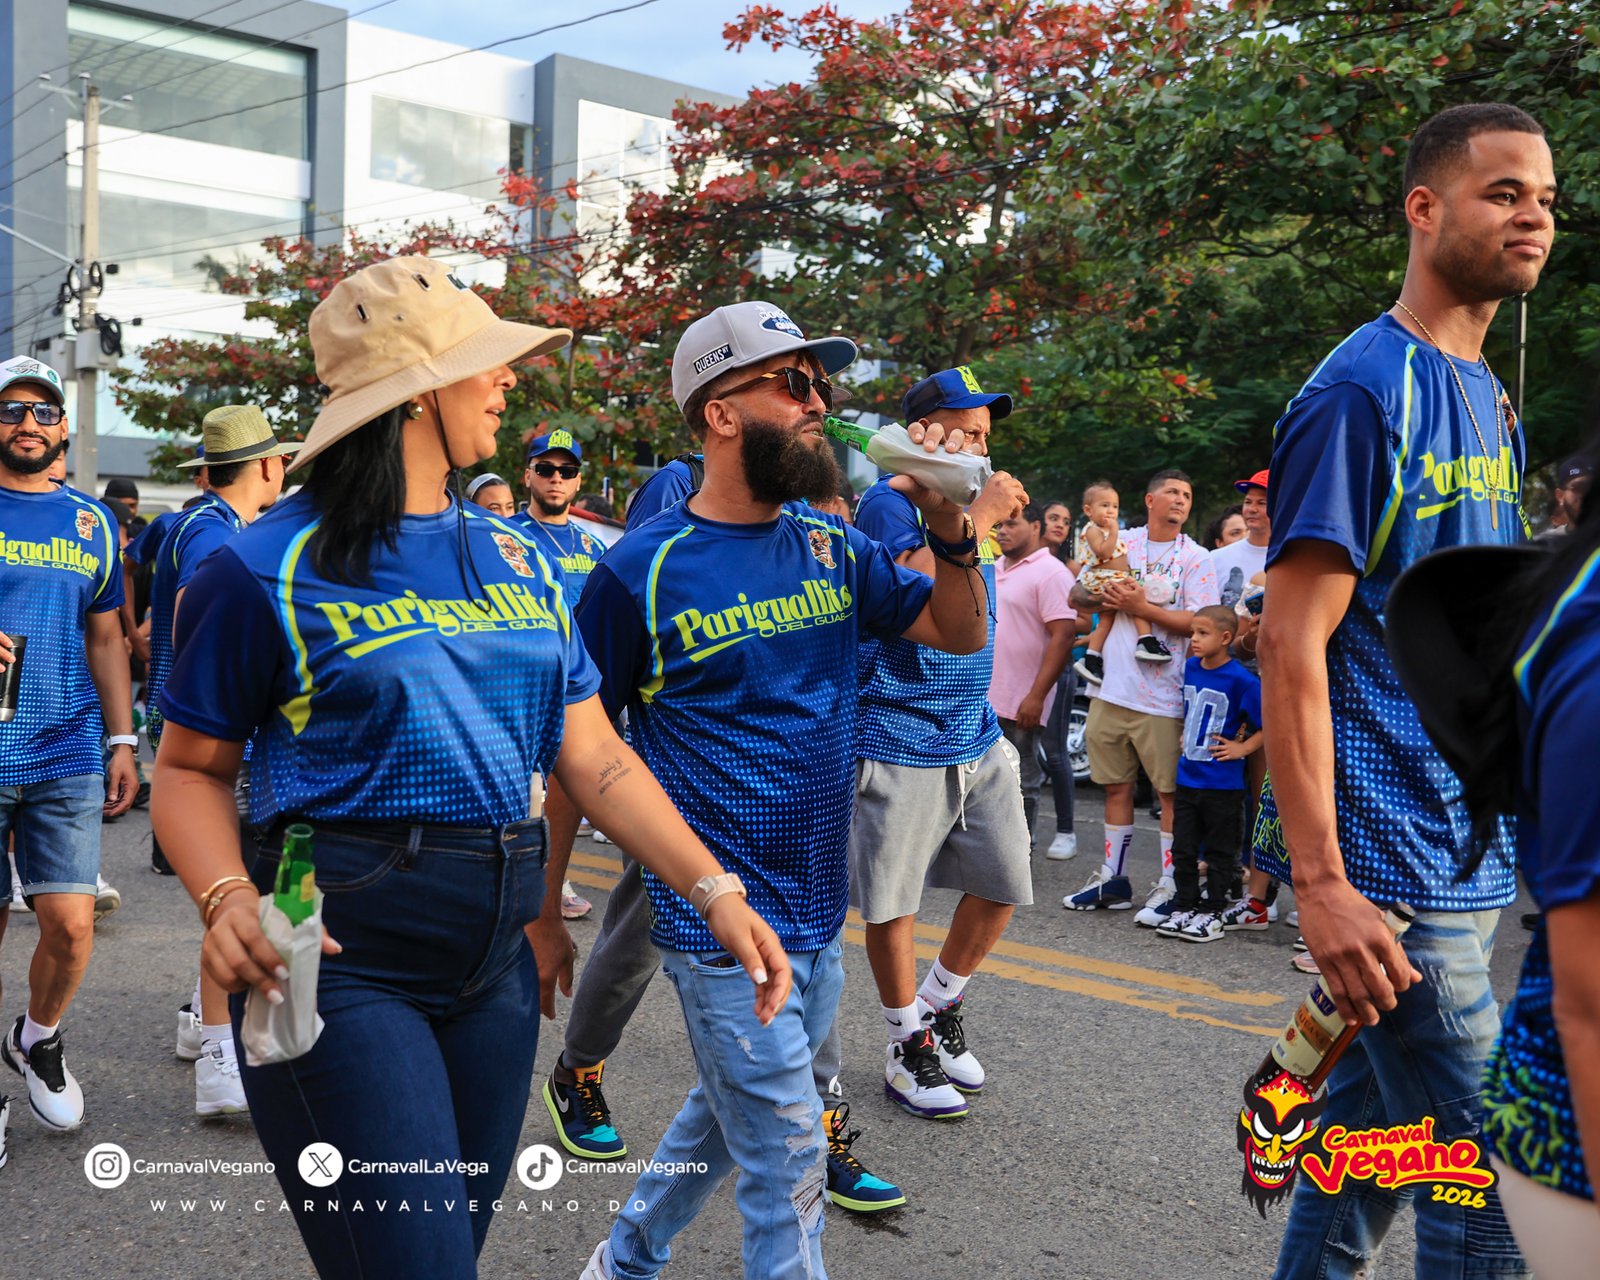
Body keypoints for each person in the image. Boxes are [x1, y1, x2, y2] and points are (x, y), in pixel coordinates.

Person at [150, 256, 788, 1280]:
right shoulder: (260, 564)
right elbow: (188, 768)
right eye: (483, 362)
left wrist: (713, 888)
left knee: (449, 1254)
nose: (505, 381)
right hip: (336, 946)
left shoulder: (519, 555)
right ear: (417, 394)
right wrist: (226, 897)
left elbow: (595, 755)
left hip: (495, 958)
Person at [566, 300, 991, 1280]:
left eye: (821, 384)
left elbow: (961, 631)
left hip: (812, 904)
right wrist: (547, 907)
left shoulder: (830, 544)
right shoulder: (639, 569)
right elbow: (579, 746)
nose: (819, 403)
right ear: (720, 413)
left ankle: (622, 1261)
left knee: (729, 1117)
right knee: (790, 1157)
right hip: (712, 915)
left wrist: (948, 524)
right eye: (794, 383)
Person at [1253, 103, 1554, 1278]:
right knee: (1498, 1187)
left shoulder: (1486, 394)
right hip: (1388, 864)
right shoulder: (1362, 392)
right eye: (1502, 193)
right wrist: (1321, 883)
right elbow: (1291, 643)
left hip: (1462, 841)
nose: (1532, 217)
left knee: (1367, 1151)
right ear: (1424, 209)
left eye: (1544, 199)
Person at [851, 366, 1031, 1124]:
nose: (982, 444)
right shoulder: (886, 502)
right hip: (899, 728)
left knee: (1003, 882)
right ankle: (905, 1044)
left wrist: (976, 516)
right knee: (894, 902)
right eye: (969, 429)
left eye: (987, 433)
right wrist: (976, 520)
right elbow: (907, 591)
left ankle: (937, 1004)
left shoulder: (961, 500)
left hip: (973, 728)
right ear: (926, 431)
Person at [0, 354, 138, 1140]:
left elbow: (106, 637)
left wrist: (123, 739)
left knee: (72, 925)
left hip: (66, 747)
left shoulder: (92, 523)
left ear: (62, 427)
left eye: (43, 411)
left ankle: (37, 1037)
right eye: (12, 410)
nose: (28, 424)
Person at [147, 404, 294, 1117]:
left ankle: (198, 1023)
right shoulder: (217, 535)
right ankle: (218, 1055)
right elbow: (188, 626)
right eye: (281, 459)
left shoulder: (202, 523)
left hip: (190, 724)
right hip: (212, 734)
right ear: (265, 464)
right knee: (233, 895)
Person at [1064, 469, 1217, 916]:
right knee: (1115, 788)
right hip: (1111, 689)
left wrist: (1141, 607)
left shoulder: (1197, 557)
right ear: (1150, 500)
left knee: (1168, 795)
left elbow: (1201, 622)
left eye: (1187, 494)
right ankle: (1113, 879)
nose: (1181, 499)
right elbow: (1077, 595)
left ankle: (1170, 884)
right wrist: (1106, 599)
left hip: (1163, 696)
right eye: (1172, 492)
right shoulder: (1119, 540)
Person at [1155, 606, 1260, 942]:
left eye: (1203, 633)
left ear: (1226, 638)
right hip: (1188, 776)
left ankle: (1213, 911)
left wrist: (1242, 748)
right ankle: (1185, 905)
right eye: (1193, 633)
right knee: (1184, 849)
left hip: (1223, 784)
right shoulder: (1190, 667)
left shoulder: (1242, 680)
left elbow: (1268, 724)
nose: (1194, 640)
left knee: (1220, 852)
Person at [990, 502, 1076, 851]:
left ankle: (1018, 856)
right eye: (999, 525)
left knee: (1022, 780)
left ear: (1036, 526)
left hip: (1022, 700)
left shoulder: (1052, 573)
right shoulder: (994, 567)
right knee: (988, 782)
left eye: (1012, 524)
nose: (1002, 531)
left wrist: (1037, 696)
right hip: (985, 696)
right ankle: (991, 856)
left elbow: (1064, 635)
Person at [1074, 480, 1170, 681]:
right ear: (1088, 510)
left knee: (1106, 620)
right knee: (1137, 598)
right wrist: (1115, 531)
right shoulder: (1092, 530)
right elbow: (1104, 552)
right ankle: (1146, 640)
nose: (1111, 511)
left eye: (1115, 506)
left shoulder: (1107, 530)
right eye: (1104, 505)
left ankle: (1091, 657)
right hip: (1103, 578)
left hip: (1113, 578)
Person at [1039, 499, 1085, 859]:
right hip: (1018, 668)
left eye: (1066, 521)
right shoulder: (1015, 561)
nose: (1060, 525)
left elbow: (1085, 620)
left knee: (1055, 752)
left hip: (1058, 668)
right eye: (1053, 518)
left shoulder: (1069, 568)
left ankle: (1066, 832)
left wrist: (1051, 616)